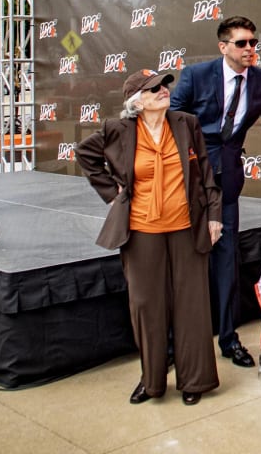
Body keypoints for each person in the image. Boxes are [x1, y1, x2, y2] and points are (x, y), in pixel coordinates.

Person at [169, 16, 261, 368]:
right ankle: (175, 342)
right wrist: (190, 158)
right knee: (183, 260)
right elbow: (172, 117)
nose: (250, 49)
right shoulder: (196, 75)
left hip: (229, 177)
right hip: (188, 176)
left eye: (253, 43)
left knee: (227, 262)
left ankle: (229, 340)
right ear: (224, 47)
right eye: (242, 43)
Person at [76, 69, 223, 405]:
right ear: (136, 101)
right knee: (146, 306)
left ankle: (194, 381)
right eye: (153, 88)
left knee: (192, 306)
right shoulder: (118, 130)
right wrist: (113, 193)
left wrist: (214, 215)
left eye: (163, 86)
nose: (162, 91)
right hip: (142, 231)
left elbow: (206, 174)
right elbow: (86, 155)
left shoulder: (186, 123)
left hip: (187, 227)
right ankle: (152, 381)